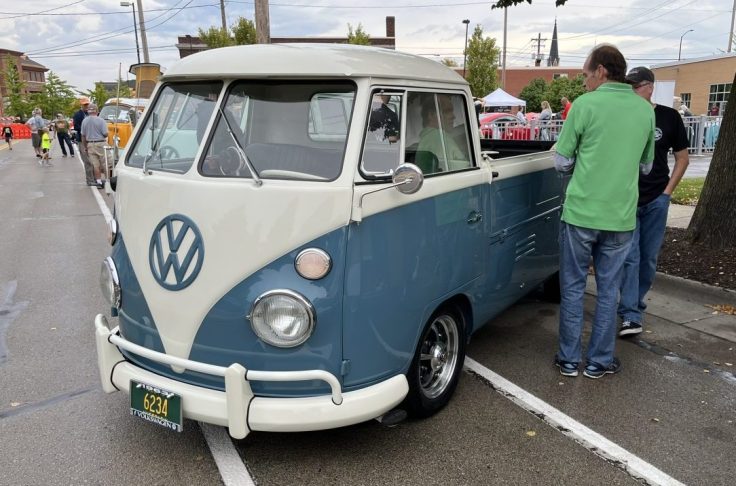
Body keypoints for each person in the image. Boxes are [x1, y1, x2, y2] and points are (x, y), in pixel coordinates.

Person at [553, 44, 655, 379]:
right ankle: (599, 361)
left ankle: (569, 359)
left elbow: (561, 161)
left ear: (601, 71)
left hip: (581, 212)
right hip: (621, 217)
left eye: (585, 74)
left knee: (572, 286)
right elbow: (646, 166)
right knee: (609, 290)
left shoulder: (584, 105)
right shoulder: (644, 110)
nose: (583, 82)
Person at [617, 67, 690, 338]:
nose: (631, 91)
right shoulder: (624, 115)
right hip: (628, 199)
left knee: (648, 260)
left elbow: (682, 159)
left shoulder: (668, 117)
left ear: (649, 88)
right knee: (631, 258)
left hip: (656, 199)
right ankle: (630, 314)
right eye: (628, 86)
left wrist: (667, 192)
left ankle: (633, 303)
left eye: (635, 86)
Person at [416, 95, 468, 174]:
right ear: (431, 115)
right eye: (447, 111)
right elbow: (464, 170)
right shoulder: (440, 138)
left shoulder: (425, 139)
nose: (453, 116)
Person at [80, 103, 109, 188]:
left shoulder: (84, 121)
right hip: (100, 143)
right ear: (97, 111)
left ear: (88, 111)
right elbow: (105, 134)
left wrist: (85, 147)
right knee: (106, 163)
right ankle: (108, 181)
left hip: (90, 144)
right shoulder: (101, 120)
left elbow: (83, 136)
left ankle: (99, 182)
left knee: (95, 165)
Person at [73, 98, 96, 186]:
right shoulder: (78, 115)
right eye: (85, 105)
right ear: (81, 105)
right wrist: (85, 129)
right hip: (82, 140)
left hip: (92, 140)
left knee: (94, 161)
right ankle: (90, 180)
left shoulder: (91, 114)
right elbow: (76, 127)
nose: (86, 106)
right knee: (87, 161)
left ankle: (95, 179)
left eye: (87, 104)